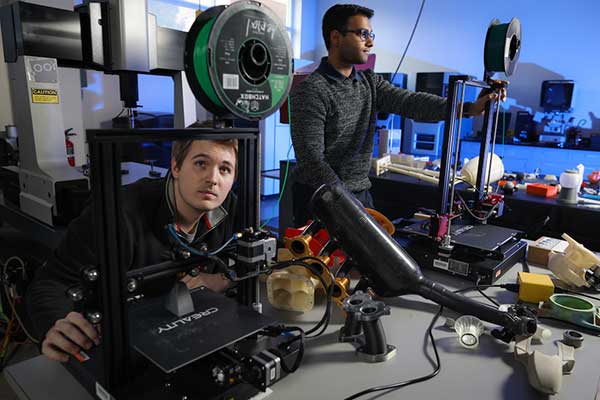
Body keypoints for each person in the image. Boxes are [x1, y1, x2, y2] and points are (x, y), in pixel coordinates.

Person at [26, 138, 240, 362]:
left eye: (225, 169)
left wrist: (224, 277)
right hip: (120, 341)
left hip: (191, 331)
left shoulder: (228, 206)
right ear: (176, 167)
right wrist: (56, 323)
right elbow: (50, 283)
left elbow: (254, 257)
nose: (213, 179)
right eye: (201, 164)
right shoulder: (116, 215)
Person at [290, 4, 503, 225]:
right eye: (362, 34)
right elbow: (311, 161)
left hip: (358, 195)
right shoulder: (311, 91)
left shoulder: (369, 83)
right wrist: (347, 205)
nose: (370, 42)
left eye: (371, 34)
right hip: (321, 199)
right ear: (335, 37)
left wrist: (469, 108)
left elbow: (411, 102)